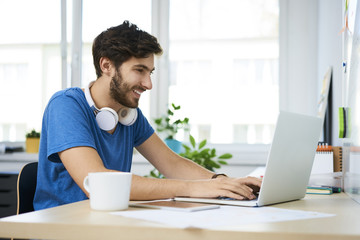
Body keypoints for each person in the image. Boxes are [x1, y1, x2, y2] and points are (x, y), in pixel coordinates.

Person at [33, 21, 261, 210]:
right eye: (139, 70)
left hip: (109, 224)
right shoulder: (66, 106)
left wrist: (222, 182)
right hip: (65, 228)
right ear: (106, 65)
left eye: (150, 72)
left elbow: (172, 163)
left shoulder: (128, 114)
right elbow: (98, 183)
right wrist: (192, 188)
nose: (148, 84)